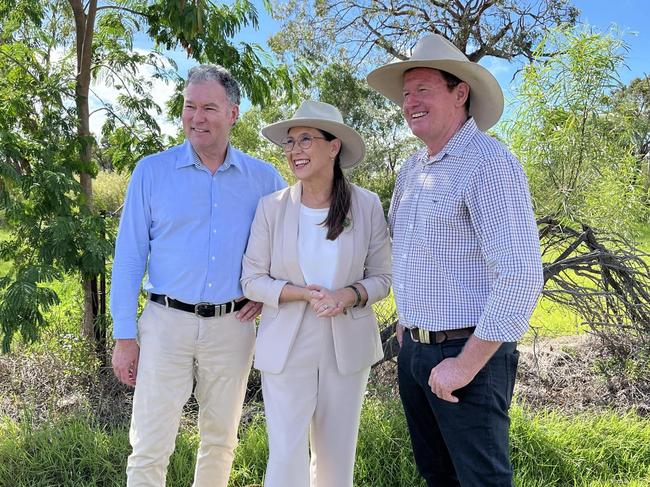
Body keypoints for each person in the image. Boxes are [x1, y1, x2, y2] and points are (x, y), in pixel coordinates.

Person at [366, 35, 544, 486]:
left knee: (480, 479)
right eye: (406, 94)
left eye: (423, 89)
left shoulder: (488, 163)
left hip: (468, 355)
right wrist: (408, 327)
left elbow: (521, 275)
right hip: (418, 351)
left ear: (459, 92)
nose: (410, 102)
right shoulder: (411, 170)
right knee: (437, 475)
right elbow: (406, 251)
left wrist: (464, 364)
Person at [110, 64, 286, 487]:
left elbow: (286, 244)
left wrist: (266, 289)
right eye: (190, 106)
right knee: (150, 443)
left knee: (221, 441)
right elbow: (129, 257)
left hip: (232, 327)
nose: (197, 117)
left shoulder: (264, 179)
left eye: (209, 107)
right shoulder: (151, 172)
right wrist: (124, 335)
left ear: (234, 114)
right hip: (164, 324)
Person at [240, 100, 391, 487]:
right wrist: (299, 293)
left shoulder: (367, 204)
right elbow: (252, 281)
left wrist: (347, 296)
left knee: (337, 457)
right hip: (287, 343)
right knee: (286, 453)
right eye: (289, 142)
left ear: (334, 145)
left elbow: (382, 278)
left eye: (305, 139)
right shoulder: (270, 208)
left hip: (347, 346)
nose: (294, 151)